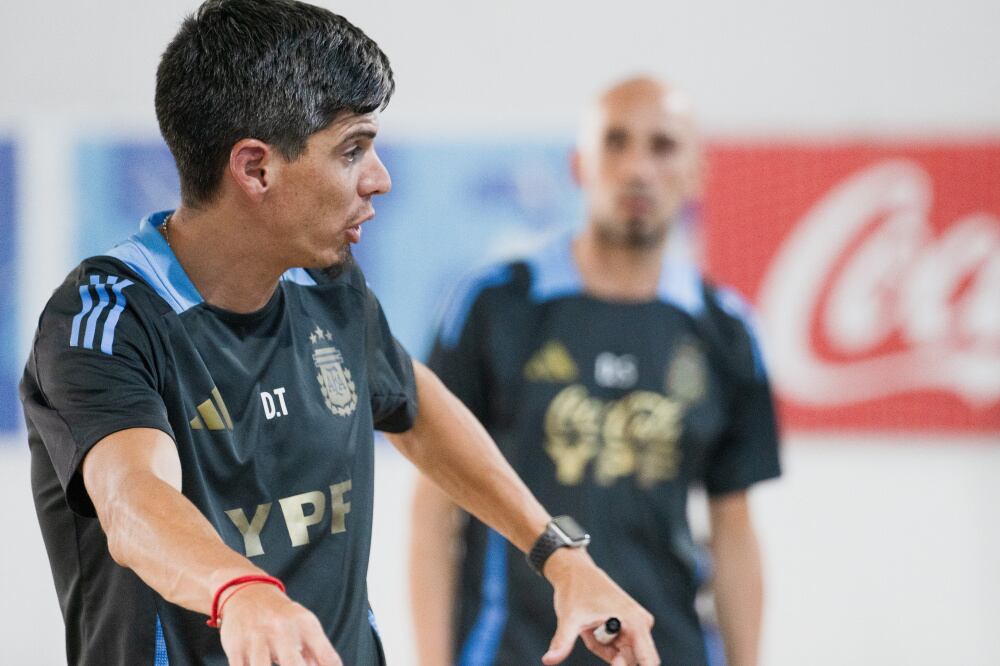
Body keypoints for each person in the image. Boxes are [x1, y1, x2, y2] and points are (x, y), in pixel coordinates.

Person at [19, 3, 660, 665]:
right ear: (256, 168)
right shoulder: (104, 316)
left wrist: (557, 553)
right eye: (352, 149)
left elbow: (415, 403)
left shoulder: (329, 285)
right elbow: (132, 500)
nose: (379, 178)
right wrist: (239, 588)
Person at [410, 76, 782, 666]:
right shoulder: (496, 304)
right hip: (513, 650)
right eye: (615, 142)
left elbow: (732, 527)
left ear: (697, 172)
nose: (637, 169)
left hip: (667, 650)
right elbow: (434, 508)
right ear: (579, 163)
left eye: (662, 146)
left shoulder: (726, 330)